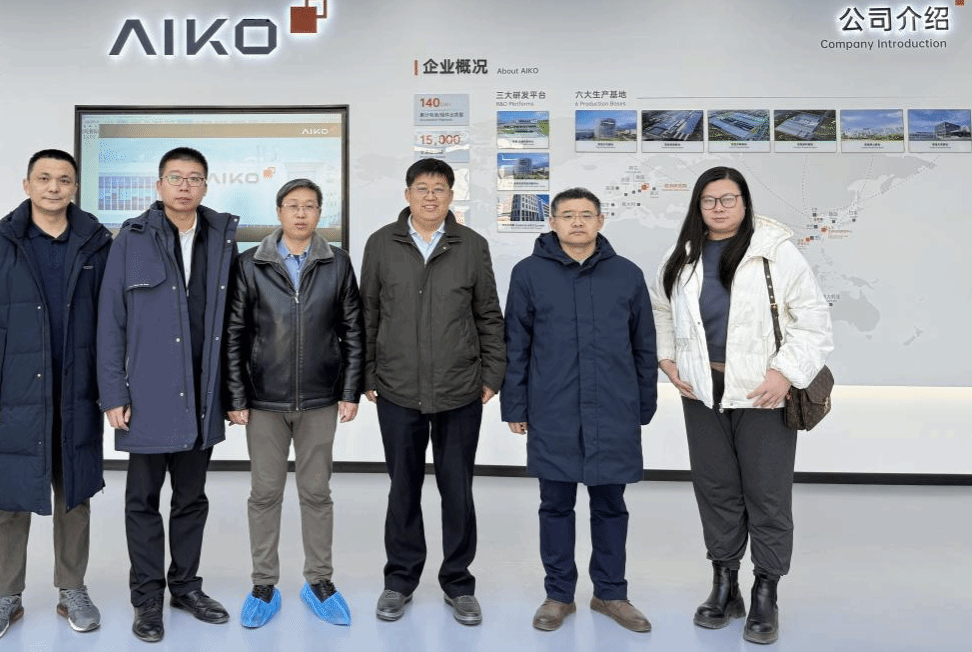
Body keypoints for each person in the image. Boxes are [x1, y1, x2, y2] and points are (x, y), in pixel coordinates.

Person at [651, 166, 833, 645]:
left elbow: (813, 320)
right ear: (698, 205)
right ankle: (725, 584)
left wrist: (784, 373)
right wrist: (667, 360)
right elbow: (662, 310)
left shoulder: (776, 251)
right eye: (709, 200)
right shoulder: (681, 254)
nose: (719, 207)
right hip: (702, 392)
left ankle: (766, 590)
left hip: (763, 393)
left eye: (728, 198)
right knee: (716, 490)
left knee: (767, 495)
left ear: (745, 203)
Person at [0, 149, 112, 643]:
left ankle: (72, 589)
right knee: (10, 498)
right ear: (26, 185)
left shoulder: (97, 245)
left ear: (74, 187)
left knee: (75, 495)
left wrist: (112, 389)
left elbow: (114, 323)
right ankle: (7, 595)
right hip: (14, 394)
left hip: (77, 392)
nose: (53, 187)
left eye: (63, 179)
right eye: (43, 178)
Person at [96, 147, 240, 643]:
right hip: (148, 394)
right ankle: (147, 598)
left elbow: (234, 324)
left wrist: (233, 392)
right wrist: (113, 393)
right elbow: (110, 322)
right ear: (158, 186)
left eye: (194, 178)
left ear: (205, 186)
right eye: (175, 177)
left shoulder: (221, 238)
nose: (184, 186)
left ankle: (185, 586)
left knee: (191, 498)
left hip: (202, 393)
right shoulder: (131, 239)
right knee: (142, 500)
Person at [502, 188, 657, 635]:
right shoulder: (528, 273)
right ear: (552, 222)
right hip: (553, 409)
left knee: (610, 505)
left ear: (600, 221)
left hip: (613, 409)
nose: (577, 222)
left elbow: (644, 345)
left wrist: (643, 403)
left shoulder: (626, 274)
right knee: (555, 505)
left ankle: (611, 593)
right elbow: (517, 345)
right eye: (567, 215)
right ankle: (558, 595)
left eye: (586, 215)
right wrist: (516, 404)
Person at [361, 158, 505, 627]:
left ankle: (458, 583)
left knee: (457, 489)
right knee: (402, 488)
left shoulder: (471, 245)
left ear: (450, 196)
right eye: (421, 188)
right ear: (407, 195)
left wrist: (492, 375)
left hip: (459, 389)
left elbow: (488, 314)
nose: (430, 196)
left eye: (439, 188)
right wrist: (366, 375)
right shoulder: (381, 243)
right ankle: (399, 580)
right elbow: (367, 314)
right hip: (397, 387)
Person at [224, 178, 364, 629]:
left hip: (320, 399)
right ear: (279, 212)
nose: (301, 213)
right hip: (263, 401)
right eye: (292, 205)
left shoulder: (337, 262)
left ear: (320, 213)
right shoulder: (250, 263)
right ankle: (264, 584)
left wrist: (349, 391)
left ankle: (318, 581)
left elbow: (353, 330)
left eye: (309, 206)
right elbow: (234, 334)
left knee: (316, 493)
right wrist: (236, 395)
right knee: (264, 495)